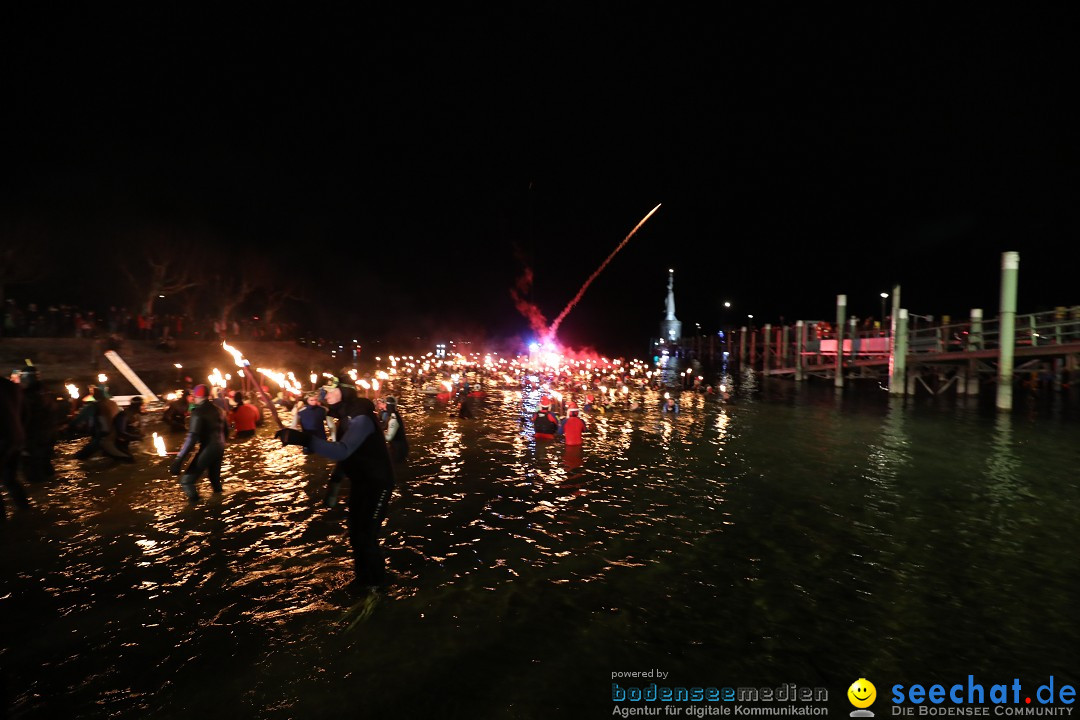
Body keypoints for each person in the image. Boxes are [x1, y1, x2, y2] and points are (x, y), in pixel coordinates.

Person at [276, 382, 395, 591]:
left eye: (331, 389)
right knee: (355, 533)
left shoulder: (362, 418)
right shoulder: (345, 419)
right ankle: (363, 579)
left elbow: (342, 451)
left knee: (367, 535)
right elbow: (346, 460)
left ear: (345, 392)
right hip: (361, 482)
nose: (325, 394)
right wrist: (334, 486)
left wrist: (302, 438)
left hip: (377, 483)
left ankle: (379, 584)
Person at [170, 384, 227, 501]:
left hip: (208, 448)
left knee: (186, 482)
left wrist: (179, 460)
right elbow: (226, 431)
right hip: (220, 446)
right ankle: (220, 505)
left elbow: (192, 438)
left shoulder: (198, 412)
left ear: (195, 396)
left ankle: (197, 509)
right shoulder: (219, 410)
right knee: (214, 479)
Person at [1, 376, 30, 519]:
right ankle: (27, 512)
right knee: (10, 480)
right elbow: (25, 414)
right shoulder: (12, 386)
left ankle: (4, 528)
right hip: (16, 438)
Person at [382, 396, 409, 464]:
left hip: (398, 449)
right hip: (398, 447)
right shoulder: (392, 415)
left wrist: (378, 434)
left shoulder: (393, 419)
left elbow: (389, 437)